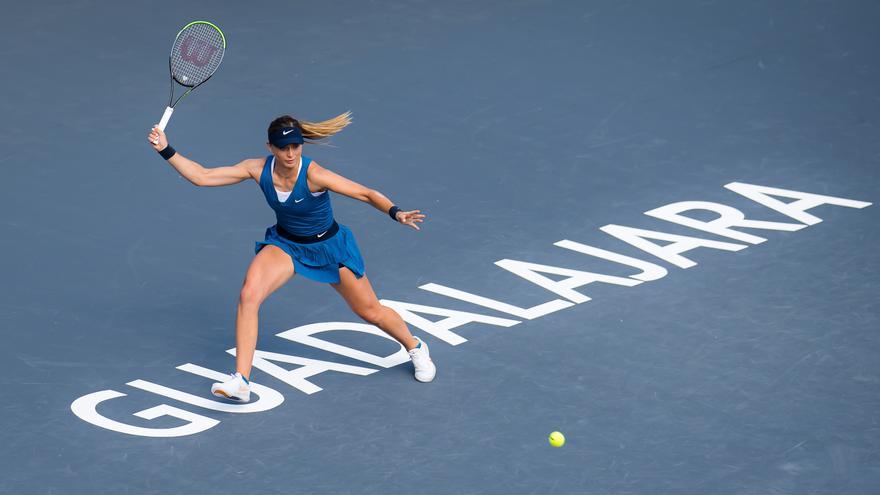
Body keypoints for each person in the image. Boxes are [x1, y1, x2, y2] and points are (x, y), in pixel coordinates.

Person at [147, 112, 436, 402]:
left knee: (370, 311)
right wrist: (165, 150)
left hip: (329, 248)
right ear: (270, 147)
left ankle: (415, 346)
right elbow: (202, 176)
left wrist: (395, 212)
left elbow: (365, 193)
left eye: (295, 146)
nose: (290, 153)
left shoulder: (313, 175)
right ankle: (241, 381)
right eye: (283, 147)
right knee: (249, 295)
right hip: (286, 245)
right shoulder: (256, 169)